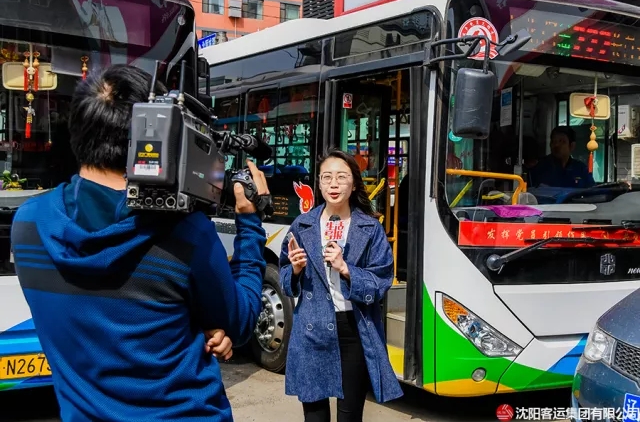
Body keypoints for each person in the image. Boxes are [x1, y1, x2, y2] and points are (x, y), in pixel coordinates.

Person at [10, 64, 270, 421]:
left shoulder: (29, 224)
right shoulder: (185, 233)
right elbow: (240, 323)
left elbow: (106, 315)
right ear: (160, 132)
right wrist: (250, 222)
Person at [279, 148, 403, 422]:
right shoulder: (302, 225)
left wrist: (346, 269)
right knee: (314, 416)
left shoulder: (370, 228)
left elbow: (381, 281)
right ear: (319, 184)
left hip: (353, 330)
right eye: (326, 177)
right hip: (311, 329)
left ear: (354, 183)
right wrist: (296, 270)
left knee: (350, 416)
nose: (333, 184)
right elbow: (284, 279)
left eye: (341, 177)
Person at [528, 126, 595, 188]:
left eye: (562, 141)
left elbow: (591, 190)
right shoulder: (540, 167)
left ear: (572, 146)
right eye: (554, 141)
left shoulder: (581, 169)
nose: (556, 145)